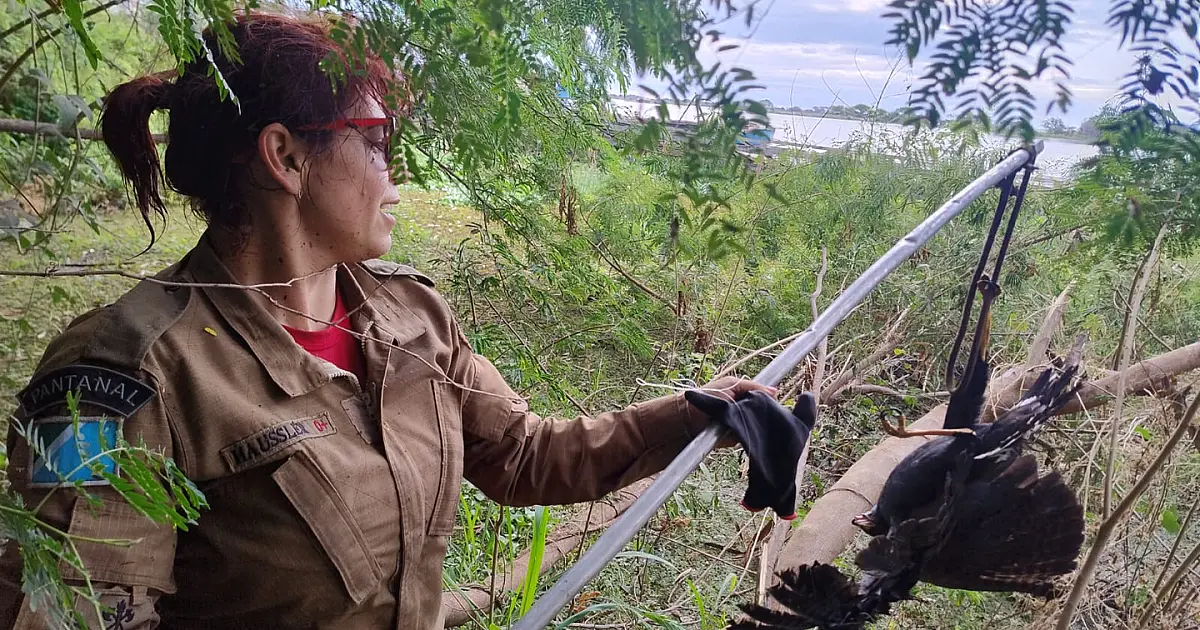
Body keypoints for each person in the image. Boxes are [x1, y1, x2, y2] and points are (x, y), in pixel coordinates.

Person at [0, 11, 774, 629]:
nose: (396, 182)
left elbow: (521, 455)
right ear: (285, 157)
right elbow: (71, 607)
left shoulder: (409, 314)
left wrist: (692, 413)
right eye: (376, 145)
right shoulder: (112, 378)